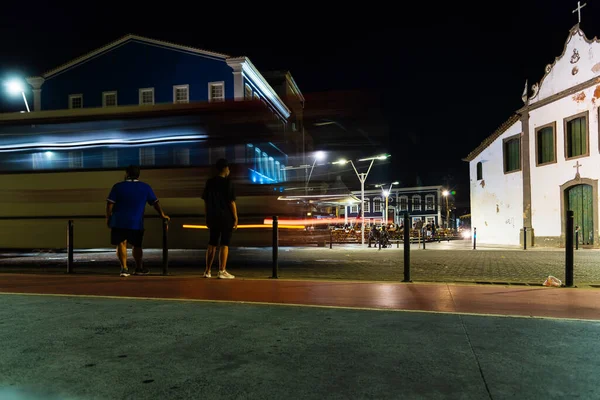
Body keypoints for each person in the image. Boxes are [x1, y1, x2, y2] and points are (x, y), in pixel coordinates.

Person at [106, 165, 169, 277]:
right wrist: (162, 215)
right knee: (137, 245)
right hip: (136, 221)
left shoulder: (118, 186)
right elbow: (155, 202)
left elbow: (110, 204)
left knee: (121, 243)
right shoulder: (145, 187)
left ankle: (124, 268)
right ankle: (139, 267)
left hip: (118, 220)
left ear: (126, 174)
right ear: (138, 175)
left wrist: (108, 217)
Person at [202, 158, 237, 279]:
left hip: (213, 216)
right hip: (226, 216)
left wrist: (207, 216)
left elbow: (206, 201)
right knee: (224, 243)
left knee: (212, 243)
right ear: (225, 168)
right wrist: (236, 217)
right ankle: (222, 270)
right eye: (228, 168)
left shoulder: (209, 182)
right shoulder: (228, 183)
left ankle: (207, 271)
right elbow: (231, 202)